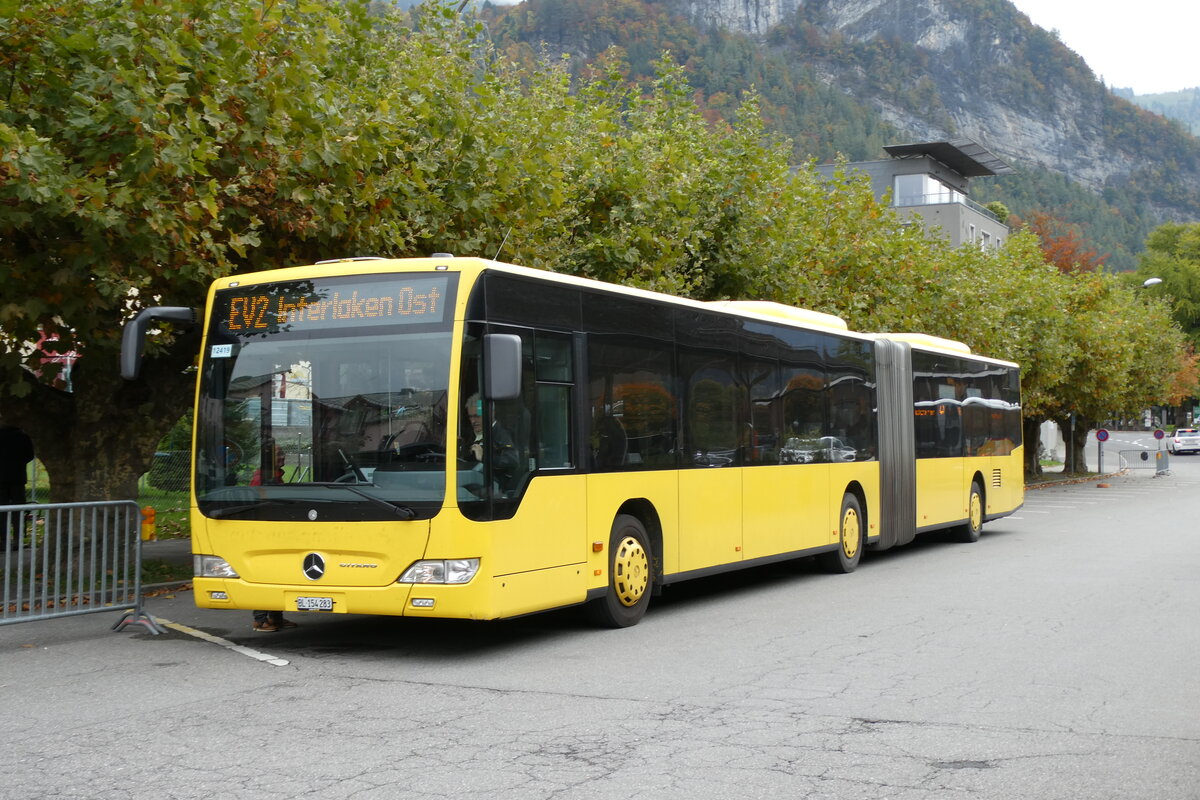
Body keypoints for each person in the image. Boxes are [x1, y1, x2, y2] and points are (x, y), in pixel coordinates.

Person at [0, 421, 34, 551]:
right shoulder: (23, 436)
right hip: (18, 477)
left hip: (1, 478)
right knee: (18, 509)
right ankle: (18, 540)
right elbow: (29, 455)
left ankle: (3, 540)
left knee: (1, 510)